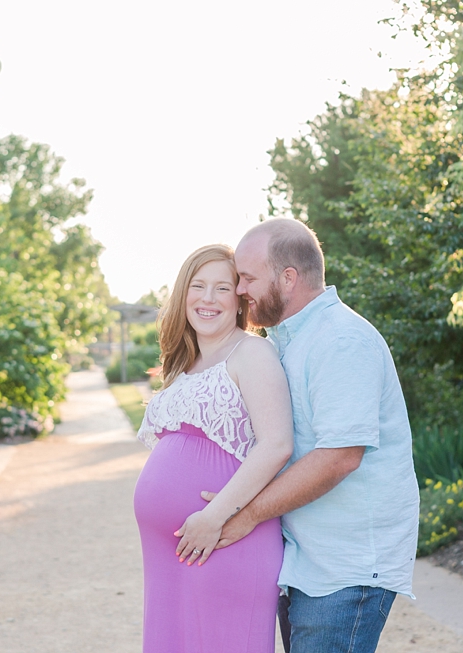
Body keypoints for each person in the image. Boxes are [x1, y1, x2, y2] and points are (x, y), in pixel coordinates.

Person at [205, 218, 419, 653]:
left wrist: (246, 514)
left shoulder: (340, 340)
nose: (240, 290)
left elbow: (339, 457)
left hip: (345, 569)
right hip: (307, 561)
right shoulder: (287, 341)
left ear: (288, 278)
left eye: (247, 278)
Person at [133, 244, 294, 653]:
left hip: (224, 540)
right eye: (198, 285)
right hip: (170, 553)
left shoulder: (252, 352)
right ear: (183, 293)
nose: (207, 298)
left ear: (239, 300)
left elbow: (276, 444)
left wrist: (212, 516)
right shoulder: (185, 364)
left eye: (221, 288)